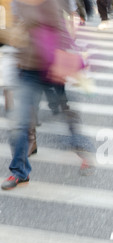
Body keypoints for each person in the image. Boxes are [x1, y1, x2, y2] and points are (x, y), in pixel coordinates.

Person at [1, 0, 95, 191]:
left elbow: (60, 27)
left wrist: (61, 61)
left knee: (63, 111)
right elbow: (15, 28)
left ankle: (83, 149)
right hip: (27, 68)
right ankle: (20, 172)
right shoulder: (16, 2)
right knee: (20, 122)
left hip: (51, 66)